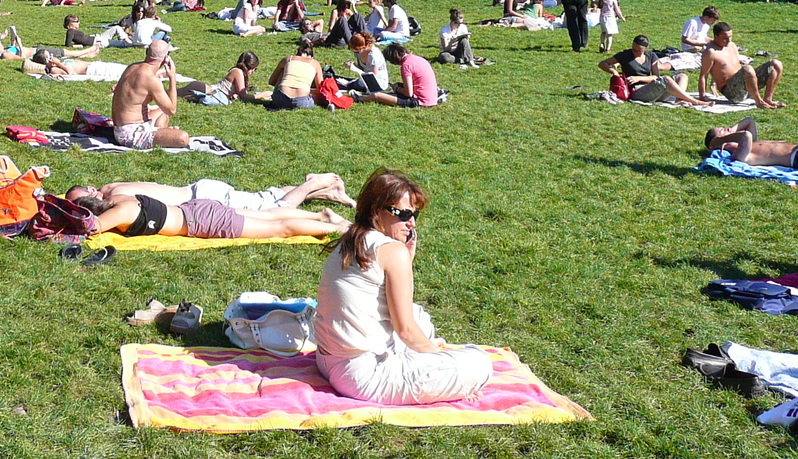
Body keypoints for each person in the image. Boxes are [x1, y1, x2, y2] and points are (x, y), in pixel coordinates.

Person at [314, 168, 491, 405]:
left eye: (415, 214)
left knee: (419, 315)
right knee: (479, 362)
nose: (412, 223)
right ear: (377, 211)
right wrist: (440, 358)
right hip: (363, 376)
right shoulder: (390, 250)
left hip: (327, 361)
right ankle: (444, 376)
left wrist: (405, 262)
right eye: (404, 214)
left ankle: (431, 368)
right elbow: (405, 330)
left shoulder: (352, 238)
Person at [79, 191, 347, 241]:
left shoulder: (121, 211)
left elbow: (93, 227)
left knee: (279, 229)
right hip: (196, 208)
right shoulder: (119, 198)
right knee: (263, 215)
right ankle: (321, 216)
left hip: (201, 222)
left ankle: (339, 229)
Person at [66, 172, 355, 212]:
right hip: (198, 191)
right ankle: (329, 193)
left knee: (271, 210)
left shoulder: (116, 199)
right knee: (263, 197)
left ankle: (315, 182)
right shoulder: (114, 187)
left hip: (203, 198)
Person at [109, 40, 187, 149]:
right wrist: (172, 78)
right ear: (166, 58)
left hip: (120, 128)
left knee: (162, 112)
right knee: (183, 138)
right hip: (130, 135)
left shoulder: (132, 67)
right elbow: (172, 109)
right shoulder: (151, 79)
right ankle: (165, 135)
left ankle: (164, 134)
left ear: (146, 51)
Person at [703, 117, 798, 171]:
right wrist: (720, 141)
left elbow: (750, 121)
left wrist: (730, 131)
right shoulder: (739, 154)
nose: (726, 129)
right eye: (722, 131)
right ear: (714, 143)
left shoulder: (752, 143)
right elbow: (746, 135)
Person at [699, 21, 784, 107]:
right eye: (725, 38)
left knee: (776, 64)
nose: (729, 41)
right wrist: (702, 97)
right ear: (716, 37)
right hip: (732, 92)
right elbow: (703, 75)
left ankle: (768, 99)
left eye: (730, 37)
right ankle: (759, 102)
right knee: (747, 69)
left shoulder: (732, 46)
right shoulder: (710, 52)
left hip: (746, 86)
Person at [601, 34, 702, 105]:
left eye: (638, 51)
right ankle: (695, 101)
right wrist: (613, 71)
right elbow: (602, 63)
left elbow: (655, 77)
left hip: (652, 88)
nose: (635, 52)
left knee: (682, 76)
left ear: (645, 49)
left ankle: (679, 99)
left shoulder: (651, 56)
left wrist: (638, 78)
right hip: (636, 91)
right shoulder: (625, 55)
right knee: (666, 79)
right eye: (634, 49)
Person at [358, 43, 438, 108]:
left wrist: (397, 89)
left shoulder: (406, 66)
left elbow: (408, 93)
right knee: (389, 93)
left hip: (421, 102)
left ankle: (359, 98)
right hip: (432, 98)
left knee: (377, 95)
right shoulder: (418, 59)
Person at [265, 37, 322, 110]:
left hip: (280, 100)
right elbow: (321, 90)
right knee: (317, 98)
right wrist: (307, 89)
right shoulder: (315, 63)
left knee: (284, 70)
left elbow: (271, 81)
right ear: (312, 57)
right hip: (302, 102)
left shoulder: (288, 59)